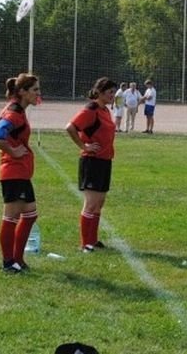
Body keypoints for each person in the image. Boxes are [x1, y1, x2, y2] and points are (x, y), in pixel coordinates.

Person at [0, 73, 41, 273]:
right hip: (13, 172)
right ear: (22, 92)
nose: (39, 93)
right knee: (11, 216)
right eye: (35, 90)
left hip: (20, 172)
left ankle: (17, 259)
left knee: (30, 215)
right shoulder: (14, 112)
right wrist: (12, 151)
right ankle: (8, 262)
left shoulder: (19, 110)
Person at [65, 77, 117, 252]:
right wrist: (84, 146)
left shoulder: (105, 110)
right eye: (110, 92)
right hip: (92, 162)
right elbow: (70, 127)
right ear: (99, 92)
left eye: (114, 92)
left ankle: (93, 240)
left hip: (104, 161)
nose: (113, 96)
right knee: (91, 203)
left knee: (99, 203)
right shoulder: (91, 109)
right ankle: (85, 243)